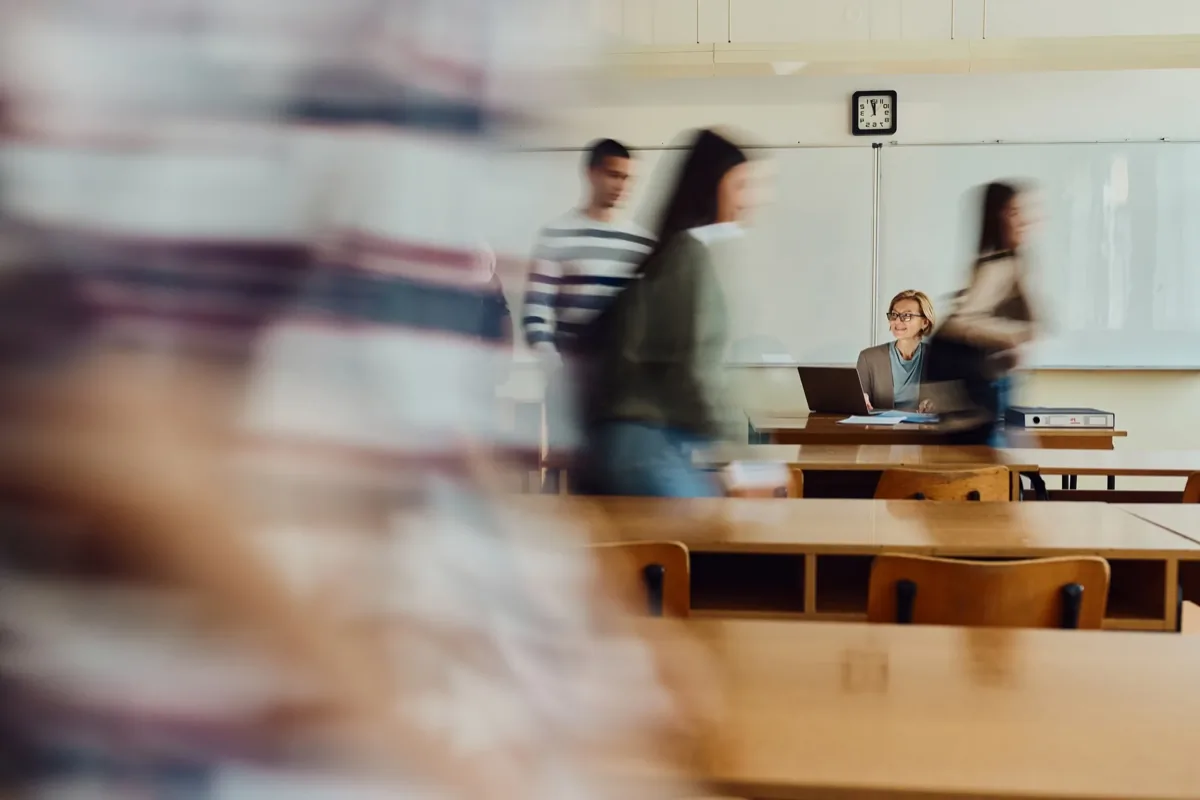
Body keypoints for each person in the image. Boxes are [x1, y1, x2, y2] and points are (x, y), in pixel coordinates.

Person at [586, 129, 750, 498]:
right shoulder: (688, 256)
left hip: (643, 444)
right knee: (723, 541)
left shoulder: (676, 252)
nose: (748, 202)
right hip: (649, 447)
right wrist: (740, 457)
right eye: (740, 186)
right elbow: (696, 372)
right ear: (714, 186)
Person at [521, 139, 655, 488]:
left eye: (628, 178)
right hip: (572, 380)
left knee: (620, 476)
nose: (621, 185)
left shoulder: (642, 244)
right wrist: (554, 366)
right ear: (591, 174)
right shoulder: (556, 235)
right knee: (571, 473)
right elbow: (536, 310)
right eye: (613, 175)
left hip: (623, 386)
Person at [925, 181, 1038, 445]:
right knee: (995, 467)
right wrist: (1015, 335)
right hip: (968, 384)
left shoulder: (1013, 261)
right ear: (997, 217)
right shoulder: (997, 264)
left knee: (1011, 466)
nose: (1024, 221)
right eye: (1014, 213)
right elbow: (961, 322)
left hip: (987, 382)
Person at [857, 290, 936, 412]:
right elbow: (858, 399)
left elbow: (954, 399)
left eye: (907, 316)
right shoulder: (868, 358)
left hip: (923, 429)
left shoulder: (938, 356)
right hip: (881, 430)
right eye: (894, 315)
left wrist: (937, 403)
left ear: (925, 322)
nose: (897, 321)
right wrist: (862, 399)